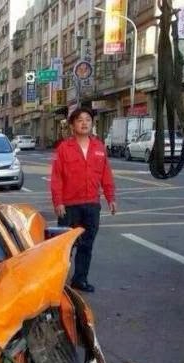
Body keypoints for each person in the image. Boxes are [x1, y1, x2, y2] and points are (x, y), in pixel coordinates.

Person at [50, 107, 116, 293]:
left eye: (88, 120)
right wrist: (58, 202)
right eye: (80, 120)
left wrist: (111, 198)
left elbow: (106, 175)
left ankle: (80, 280)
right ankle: (58, 282)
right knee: (65, 246)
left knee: (86, 245)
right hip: (69, 206)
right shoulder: (64, 148)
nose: (84, 123)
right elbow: (57, 178)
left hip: (92, 205)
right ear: (72, 125)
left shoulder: (99, 147)